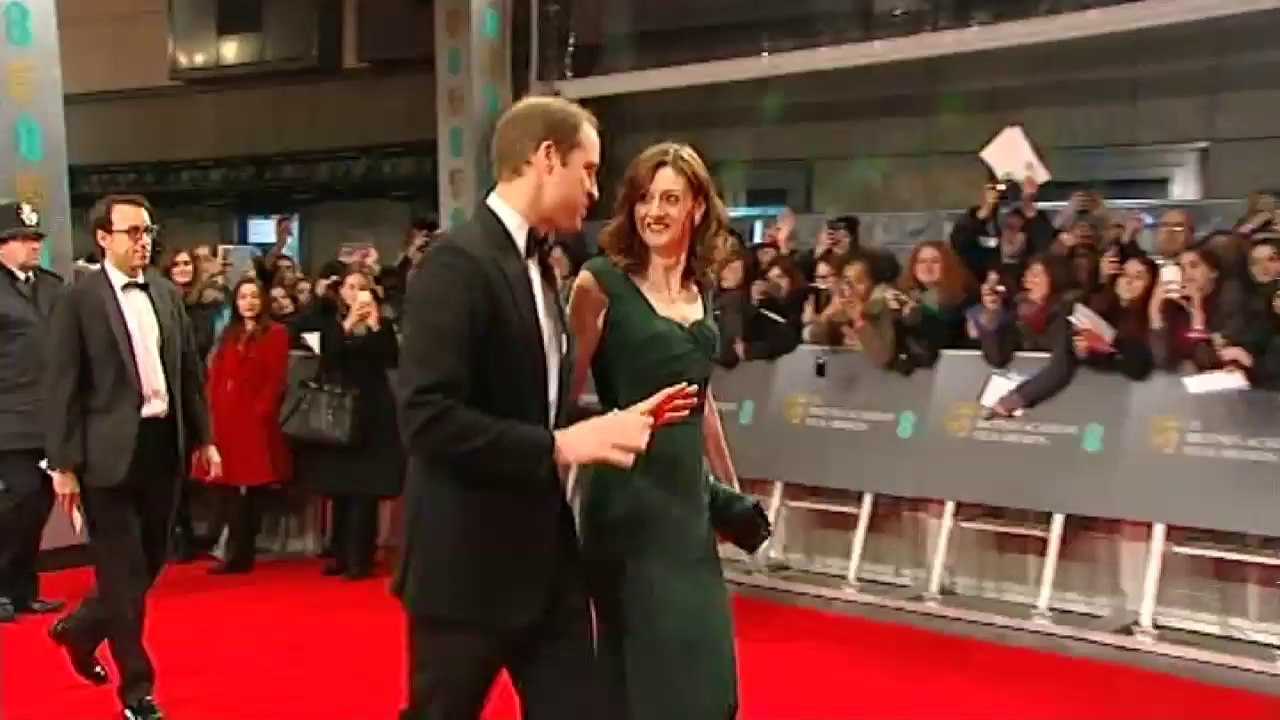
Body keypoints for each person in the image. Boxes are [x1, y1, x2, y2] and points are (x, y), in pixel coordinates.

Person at [395, 96, 694, 720]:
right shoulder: (454, 264)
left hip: (546, 562)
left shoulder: (547, 269)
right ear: (546, 158)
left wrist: (609, 421)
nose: (595, 189)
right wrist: (560, 446)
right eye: (588, 170)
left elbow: (529, 405)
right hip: (464, 565)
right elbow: (427, 418)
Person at [568, 142, 769, 720]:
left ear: (697, 209)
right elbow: (559, 397)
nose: (654, 210)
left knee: (705, 672)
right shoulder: (598, 283)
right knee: (643, 677)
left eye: (670, 198)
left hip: (686, 503)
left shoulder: (700, 290)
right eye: (645, 198)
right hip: (626, 501)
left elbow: (702, 402)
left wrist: (730, 494)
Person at [44, 194, 221, 720]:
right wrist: (63, 465)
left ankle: (79, 630)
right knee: (123, 577)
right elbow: (62, 387)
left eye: (148, 231)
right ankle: (137, 689)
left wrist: (204, 437)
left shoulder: (166, 293)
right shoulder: (78, 300)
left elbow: (190, 372)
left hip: (162, 448)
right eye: (132, 232)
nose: (144, 241)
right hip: (104, 457)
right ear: (103, 237)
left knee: (145, 567)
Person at [0, 200, 66, 623]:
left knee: (40, 503)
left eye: (36, 239)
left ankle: (24, 590)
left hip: (51, 417)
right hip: (7, 416)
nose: (33, 246)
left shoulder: (53, 285)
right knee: (18, 498)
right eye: (23, 239)